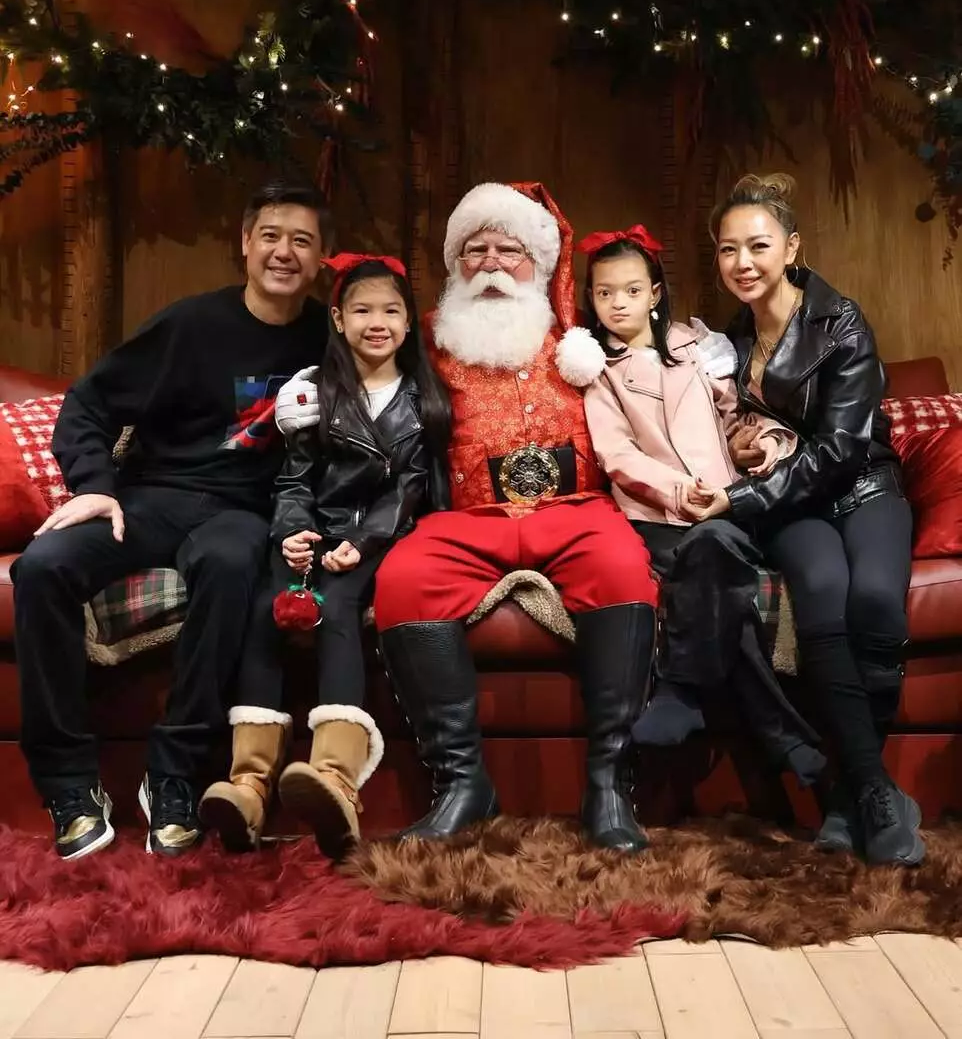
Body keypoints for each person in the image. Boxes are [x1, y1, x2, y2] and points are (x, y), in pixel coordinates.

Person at [280, 181, 668, 852]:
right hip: (468, 515)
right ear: (456, 263)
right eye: (475, 249)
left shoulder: (580, 332)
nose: (490, 264)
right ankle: (462, 784)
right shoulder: (427, 336)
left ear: (537, 261)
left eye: (507, 250)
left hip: (575, 508)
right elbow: (360, 354)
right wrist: (302, 392)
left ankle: (609, 785)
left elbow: (660, 342)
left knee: (623, 569)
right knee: (405, 581)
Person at [12, 181, 328, 860]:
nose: (284, 252)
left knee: (232, 562)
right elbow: (88, 406)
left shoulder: (331, 338)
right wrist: (95, 488)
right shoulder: (191, 325)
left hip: (243, 513)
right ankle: (69, 784)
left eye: (302, 240)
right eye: (271, 236)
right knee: (40, 568)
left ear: (321, 257)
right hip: (151, 499)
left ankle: (174, 773)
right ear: (245, 244)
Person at [679, 172, 922, 867]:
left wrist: (741, 499)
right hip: (791, 505)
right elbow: (727, 427)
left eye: (758, 246)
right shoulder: (727, 342)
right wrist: (735, 452)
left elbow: (843, 450)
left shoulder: (840, 322)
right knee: (820, 593)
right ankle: (875, 791)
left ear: (792, 248)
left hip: (862, 485)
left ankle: (846, 795)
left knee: (874, 601)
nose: (743, 263)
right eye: (728, 249)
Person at [199, 254, 450, 858]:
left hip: (379, 537)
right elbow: (294, 480)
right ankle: (249, 785)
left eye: (390, 311)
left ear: (408, 321)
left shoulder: (422, 400)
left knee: (336, 608)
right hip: (315, 530)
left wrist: (360, 544)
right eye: (362, 311)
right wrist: (292, 530)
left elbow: (409, 489)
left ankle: (336, 778)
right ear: (338, 319)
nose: (376, 323)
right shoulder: (313, 393)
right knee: (268, 611)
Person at [580, 226, 826, 789]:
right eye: (604, 293)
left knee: (717, 546)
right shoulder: (598, 371)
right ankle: (783, 734)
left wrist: (762, 444)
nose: (619, 304)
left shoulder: (696, 350)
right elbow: (617, 454)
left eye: (631, 290)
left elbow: (738, 418)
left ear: (654, 293)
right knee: (715, 574)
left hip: (723, 505)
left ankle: (681, 690)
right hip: (655, 517)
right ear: (591, 299)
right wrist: (677, 489)